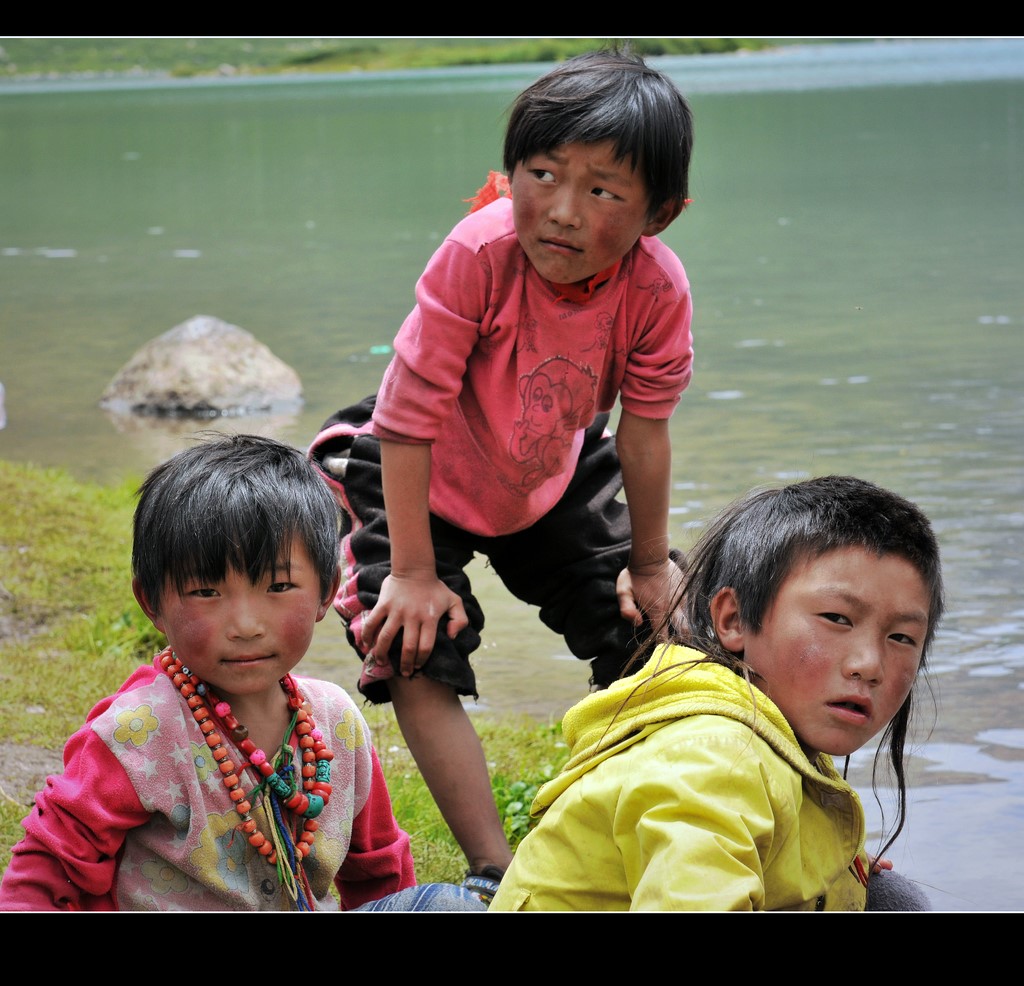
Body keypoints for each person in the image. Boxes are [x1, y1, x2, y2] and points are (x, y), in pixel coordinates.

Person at [309, 47, 695, 892]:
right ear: (511, 170)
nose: (559, 210)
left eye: (602, 191)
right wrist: (410, 572)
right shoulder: (479, 255)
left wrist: (650, 561)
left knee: (663, 638)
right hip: (415, 470)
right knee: (411, 643)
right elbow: (407, 419)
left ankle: (656, 832)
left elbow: (643, 434)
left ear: (658, 213)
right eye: (543, 173)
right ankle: (496, 869)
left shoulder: (657, 291)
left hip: (548, 473)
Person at [0, 434, 485, 912]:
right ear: (151, 601)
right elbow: (43, 874)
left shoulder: (337, 720)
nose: (246, 626)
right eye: (207, 592)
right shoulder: (133, 737)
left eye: (278, 585)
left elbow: (379, 869)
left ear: (326, 591)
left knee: (451, 905)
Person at [489, 475, 944, 911]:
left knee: (885, 895)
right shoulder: (717, 759)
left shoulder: (775, 724)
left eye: (901, 638)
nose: (869, 665)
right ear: (733, 619)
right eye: (837, 618)